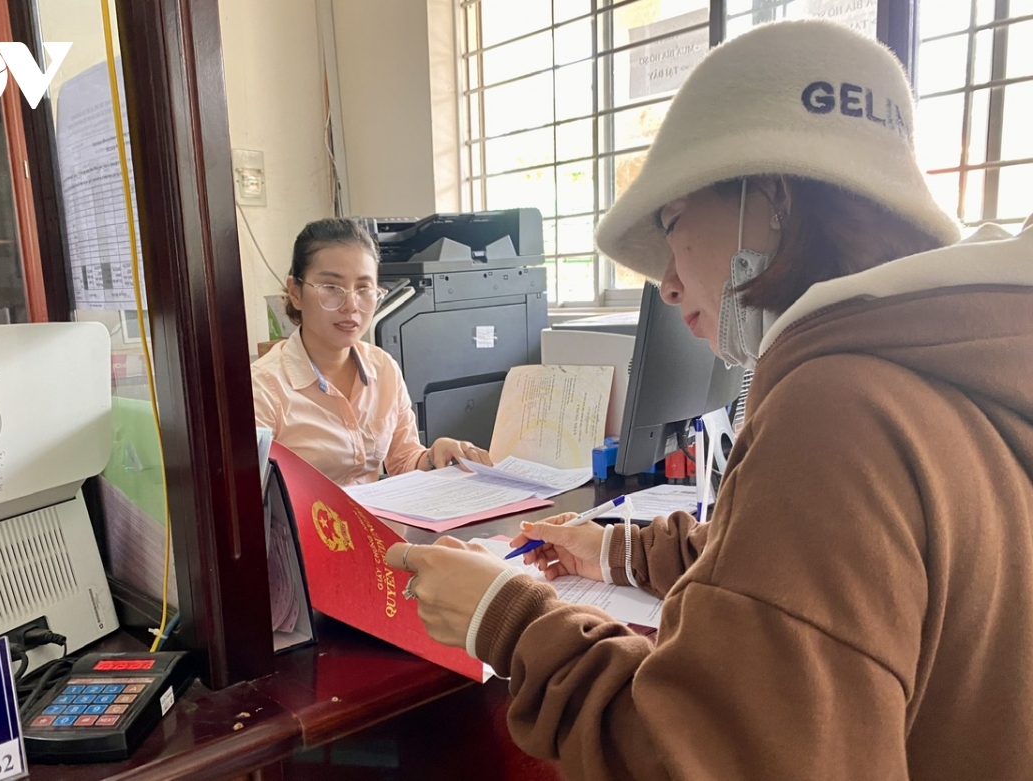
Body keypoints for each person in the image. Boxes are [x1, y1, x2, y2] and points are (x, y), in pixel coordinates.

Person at [385, 19, 1033, 781]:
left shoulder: (839, 408)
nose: (664, 281)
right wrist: (619, 550)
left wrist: (505, 614)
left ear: (773, 196)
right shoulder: (962, 367)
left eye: (671, 225)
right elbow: (819, 576)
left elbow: (707, 759)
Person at [252, 218, 492, 486]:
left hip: (375, 523)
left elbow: (402, 462)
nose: (351, 305)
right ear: (295, 293)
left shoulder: (382, 367)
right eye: (331, 288)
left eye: (364, 288)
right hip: (308, 526)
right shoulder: (263, 389)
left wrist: (435, 455)